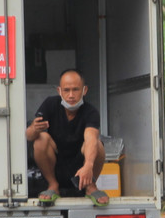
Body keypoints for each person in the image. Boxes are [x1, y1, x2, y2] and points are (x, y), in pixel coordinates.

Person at [25, 68, 108, 206]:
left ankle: (91, 186)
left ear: (85, 90)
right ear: (59, 91)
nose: (71, 95)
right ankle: (53, 185)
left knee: (97, 145)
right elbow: (28, 136)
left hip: (82, 169)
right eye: (66, 90)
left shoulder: (91, 112)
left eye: (75, 90)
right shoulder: (50, 104)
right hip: (55, 165)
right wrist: (33, 128)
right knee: (40, 138)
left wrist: (88, 165)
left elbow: (91, 138)